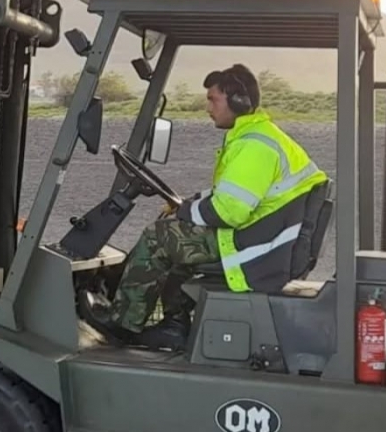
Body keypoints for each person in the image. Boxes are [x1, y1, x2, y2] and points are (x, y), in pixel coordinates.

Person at [87, 64, 328, 351]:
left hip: (257, 246)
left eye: (213, 99)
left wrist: (185, 212)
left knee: (159, 237)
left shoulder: (255, 146)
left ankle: (123, 323)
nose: (207, 107)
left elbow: (230, 211)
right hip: (263, 236)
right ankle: (173, 326)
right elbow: (226, 194)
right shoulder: (255, 138)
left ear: (238, 101)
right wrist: (187, 205)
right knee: (177, 236)